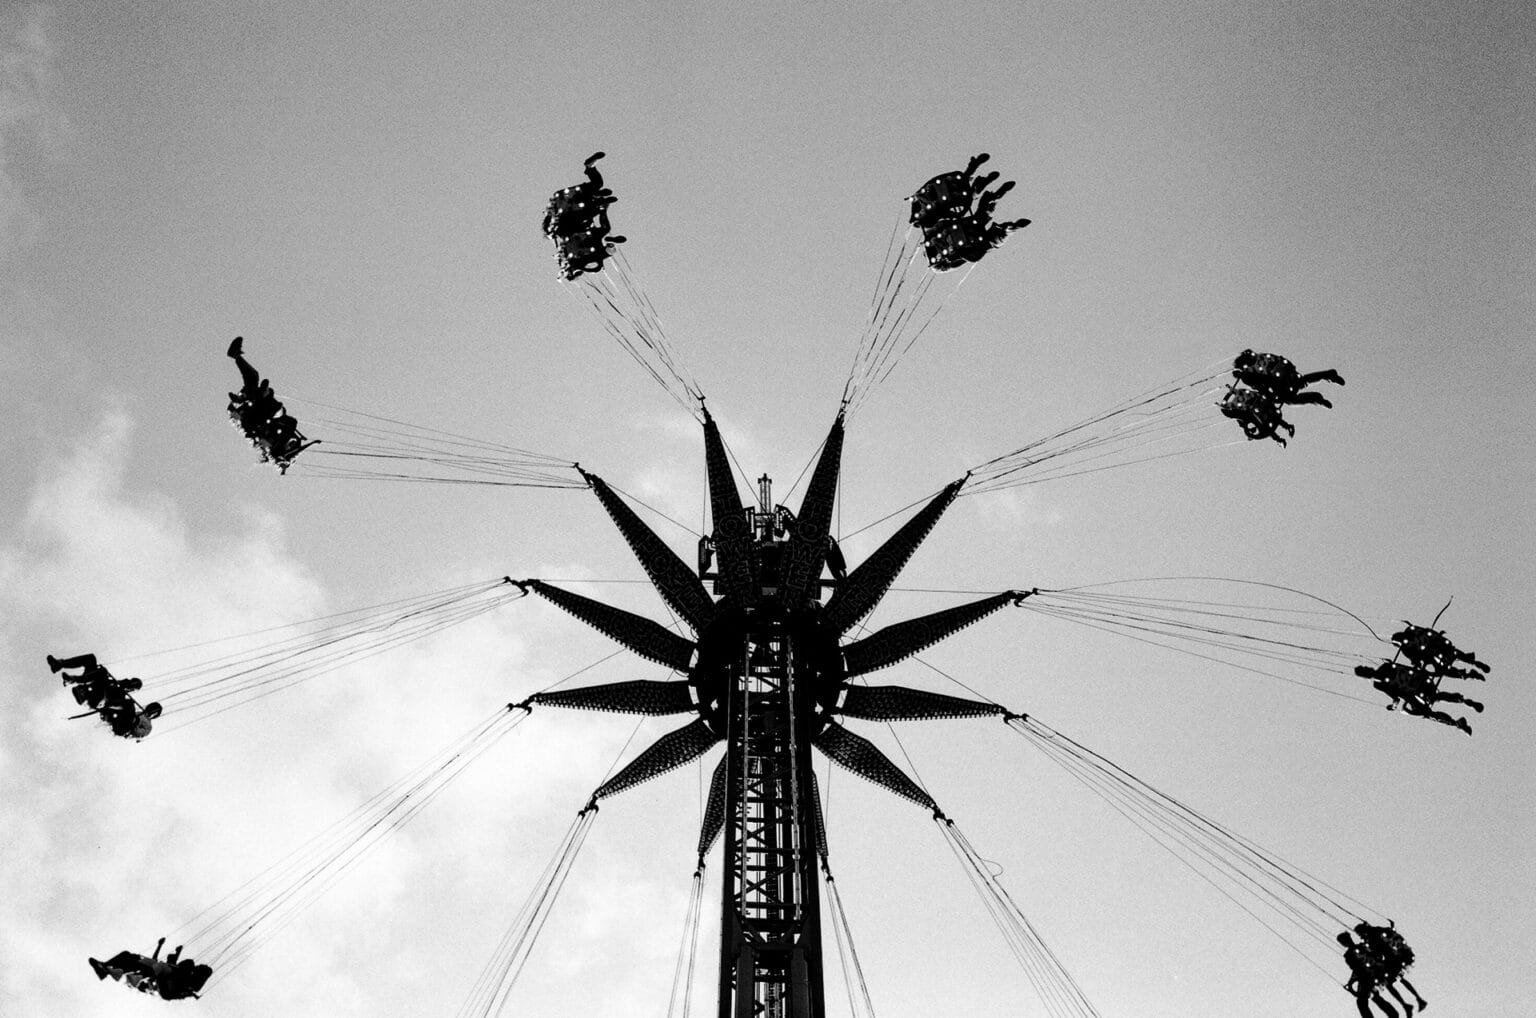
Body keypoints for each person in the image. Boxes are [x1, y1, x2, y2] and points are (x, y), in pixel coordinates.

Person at [1355, 922, 1427, 1015]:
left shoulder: (1372, 937)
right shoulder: (1377, 931)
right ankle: (1417, 1000)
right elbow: (1388, 933)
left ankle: (1407, 1004)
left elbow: (1376, 952)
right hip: (1395, 957)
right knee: (1399, 979)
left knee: (1390, 984)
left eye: (1360, 933)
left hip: (1390, 960)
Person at [1232, 349, 1345, 407]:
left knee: (1292, 396)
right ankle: (1326, 378)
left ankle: (1317, 395)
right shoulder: (1259, 357)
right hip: (1282, 377)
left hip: (1279, 382)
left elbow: (1259, 385)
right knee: (1301, 382)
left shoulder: (1251, 371)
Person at [1339, 931, 1402, 1017]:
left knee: (1362, 1002)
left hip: (1366, 978)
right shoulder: (1364, 946)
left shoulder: (1349, 955)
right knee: (1374, 997)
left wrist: (1351, 983)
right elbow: (1378, 955)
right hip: (1377, 973)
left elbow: (1357, 970)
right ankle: (1393, 1014)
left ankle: (1393, 1014)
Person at [1391, 623, 1490, 677]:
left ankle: (1474, 662)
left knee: (1452, 651)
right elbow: (1414, 658)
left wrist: (1436, 635)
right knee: (1440, 670)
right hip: (1429, 655)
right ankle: (1462, 673)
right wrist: (1417, 663)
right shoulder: (1406, 649)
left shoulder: (1410, 630)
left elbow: (1425, 631)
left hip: (1434, 643)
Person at [1220, 384, 1293, 444]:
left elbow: (1252, 393)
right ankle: (1280, 437)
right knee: (1265, 424)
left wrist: (1230, 393)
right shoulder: (1234, 407)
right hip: (1253, 412)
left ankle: (1287, 427)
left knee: (1271, 413)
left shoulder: (1242, 393)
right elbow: (1225, 409)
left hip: (1257, 405)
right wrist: (1228, 396)